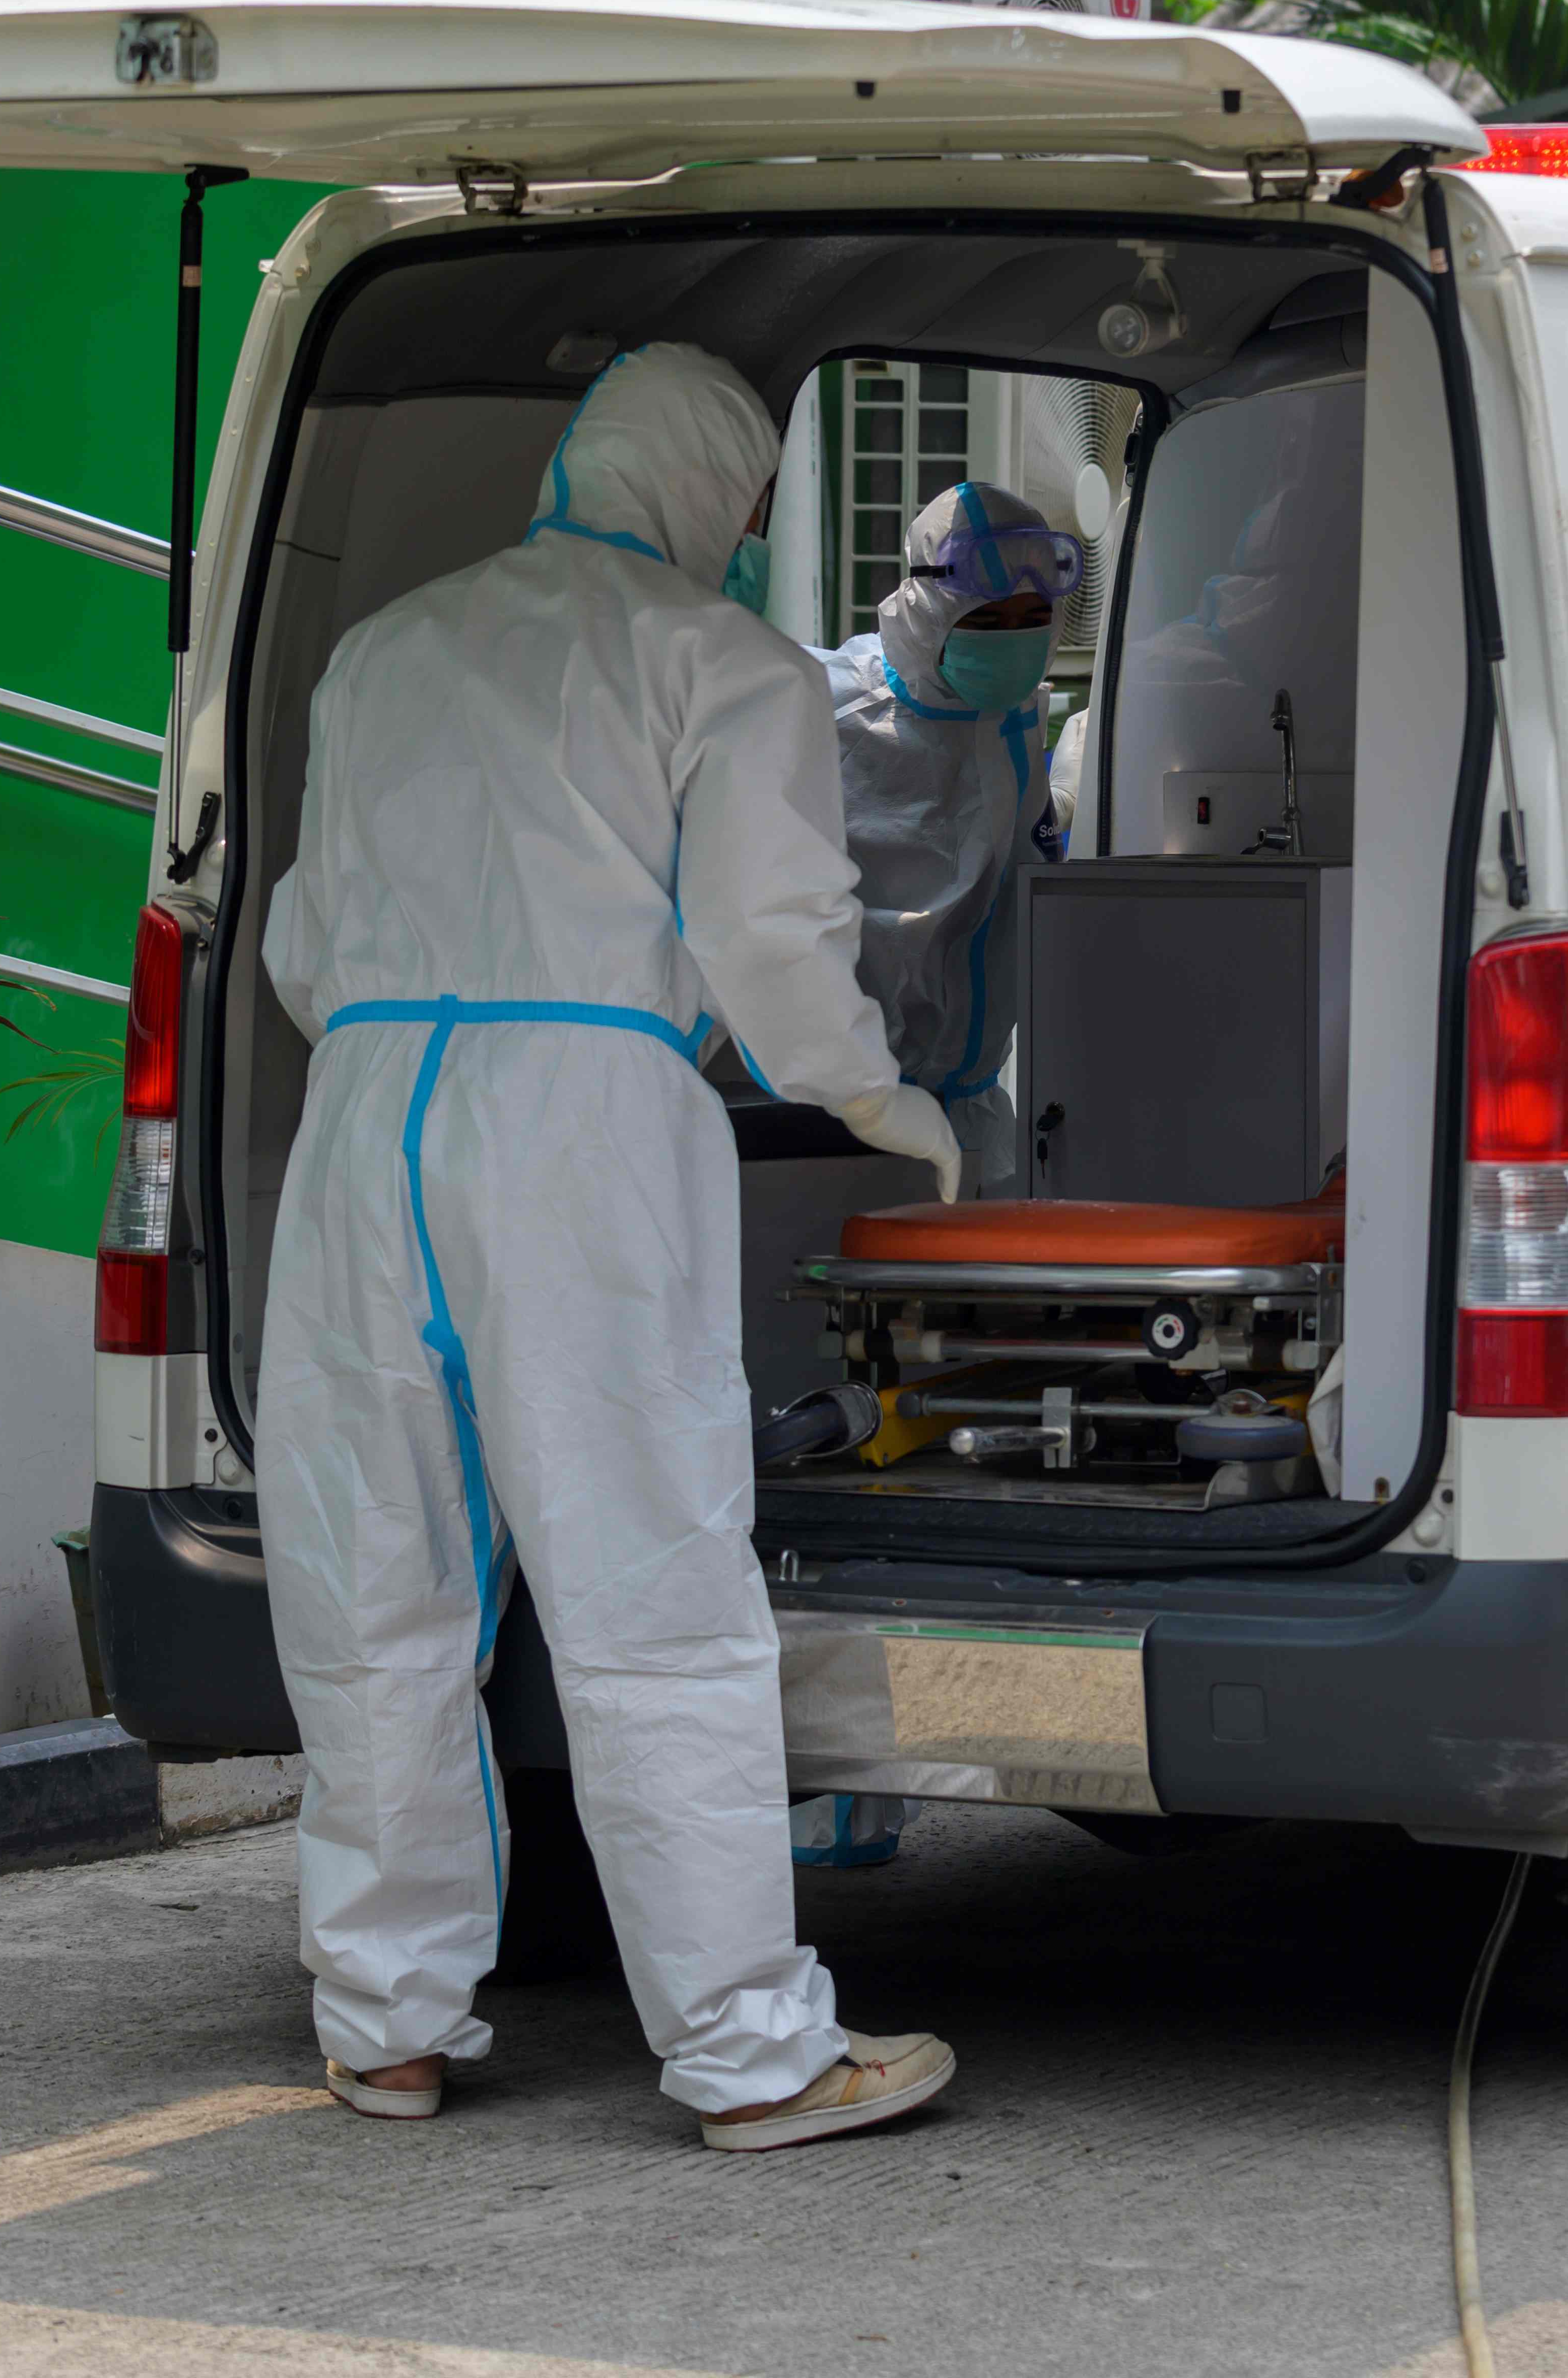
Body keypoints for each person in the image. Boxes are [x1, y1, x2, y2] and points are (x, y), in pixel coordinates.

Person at [254, 342, 965, 2152]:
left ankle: (386, 2024)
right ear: (719, 496)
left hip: (361, 1119)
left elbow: (296, 947)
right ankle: (748, 2051)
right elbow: (774, 950)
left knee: (372, 1580)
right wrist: (892, 1107)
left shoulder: (382, 651)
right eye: (744, 510)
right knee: (651, 1586)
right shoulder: (719, 660)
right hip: (577, 1126)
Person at [820, 481, 1072, 1191]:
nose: (1016, 639)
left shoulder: (1019, 716)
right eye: (990, 620)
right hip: (843, 1117)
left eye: (1034, 618)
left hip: (979, 1116)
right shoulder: (828, 709)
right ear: (931, 610)